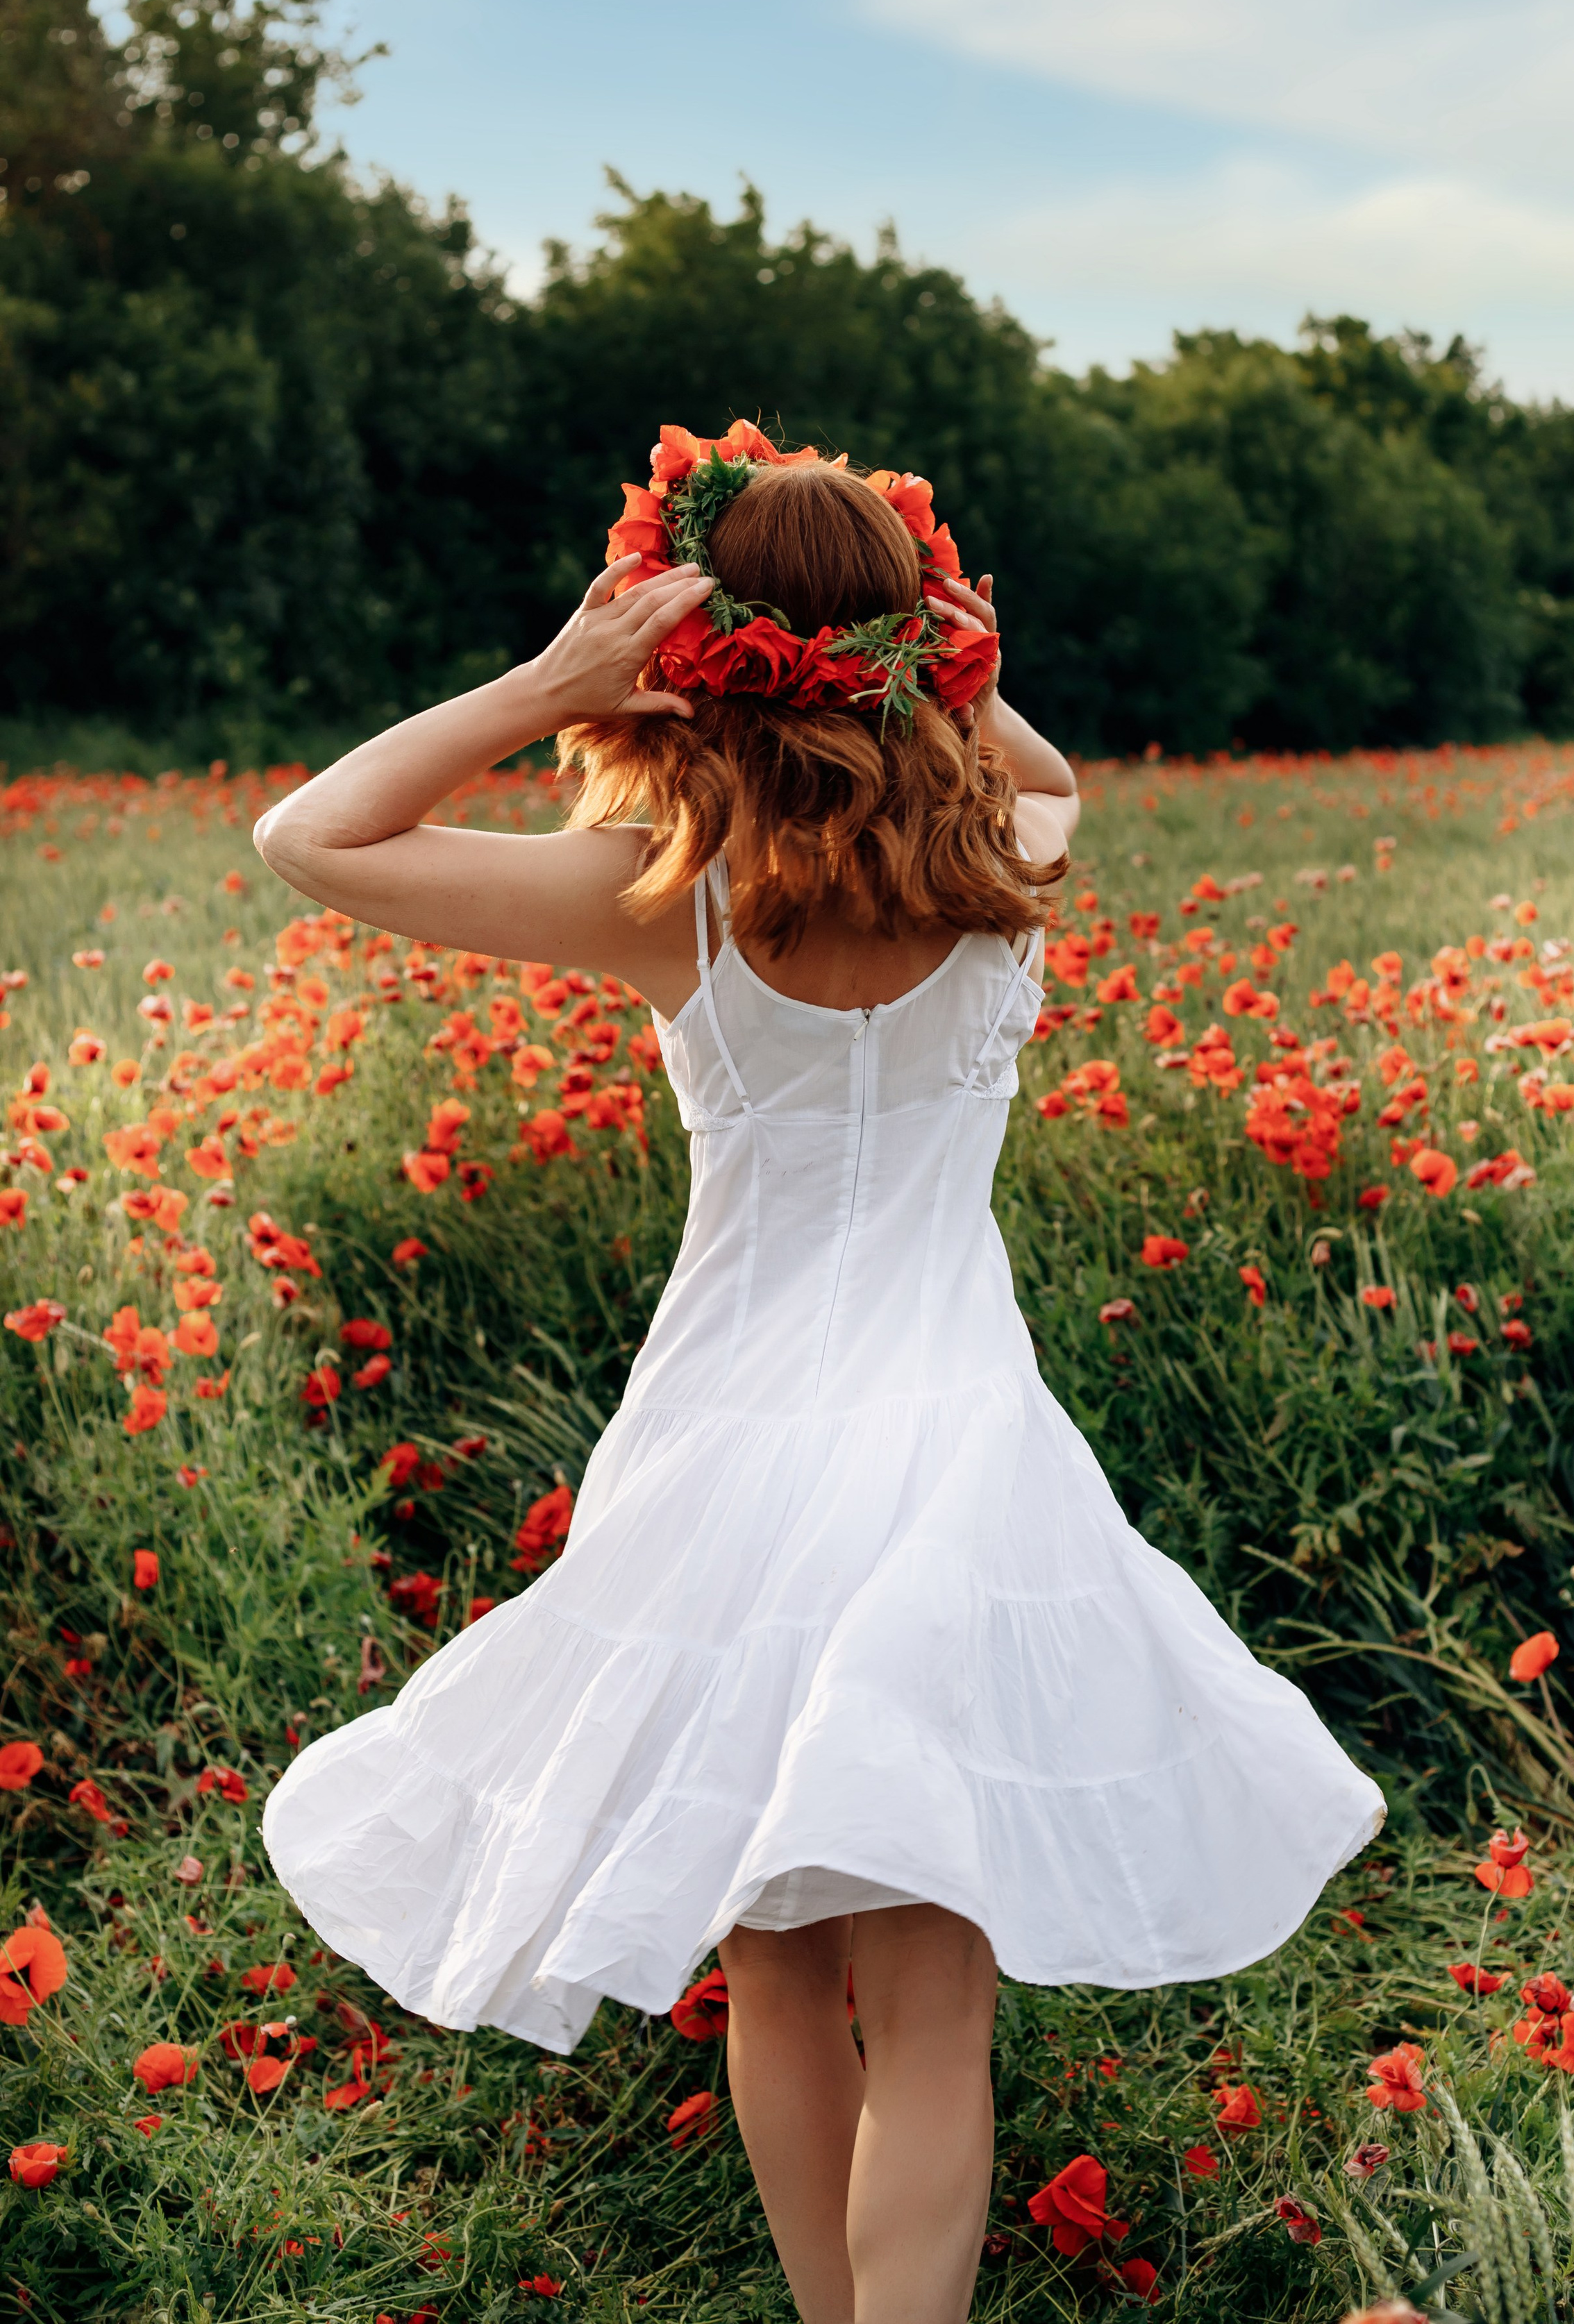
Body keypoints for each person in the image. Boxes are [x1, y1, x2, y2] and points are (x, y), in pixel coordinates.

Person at [256, 425, 1384, 2324]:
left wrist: (551, 682)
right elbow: (1048, 772)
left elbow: (308, 837)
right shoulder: (1012, 857)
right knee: (933, 2000)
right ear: (920, 641)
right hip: (959, 1450)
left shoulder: (662, 898)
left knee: (780, 1972)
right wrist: (972, 671)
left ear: (686, 651)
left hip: (730, 1458)